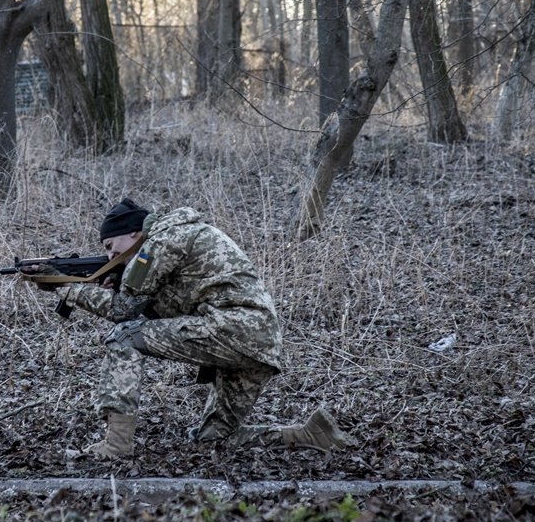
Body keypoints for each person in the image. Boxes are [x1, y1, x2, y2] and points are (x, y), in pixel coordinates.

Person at [50, 197, 348, 460]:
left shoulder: (159, 241)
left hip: (230, 330)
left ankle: (116, 446)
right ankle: (309, 435)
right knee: (215, 439)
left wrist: (67, 288)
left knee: (124, 337)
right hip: (259, 341)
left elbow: (123, 311)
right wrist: (115, 283)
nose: (109, 255)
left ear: (132, 232)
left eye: (110, 246)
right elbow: (178, 300)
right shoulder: (181, 233)